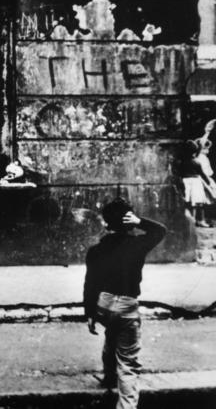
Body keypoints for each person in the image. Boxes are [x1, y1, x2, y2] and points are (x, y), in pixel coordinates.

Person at [83, 198, 166, 409]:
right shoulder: (137, 245)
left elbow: (90, 284)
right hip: (127, 305)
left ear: (106, 223)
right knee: (128, 362)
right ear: (128, 222)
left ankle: (109, 377)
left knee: (112, 333)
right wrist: (140, 222)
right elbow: (160, 231)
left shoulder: (96, 250)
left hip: (103, 303)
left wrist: (90, 314)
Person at [181, 139, 216, 227]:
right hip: (195, 182)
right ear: (194, 152)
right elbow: (202, 174)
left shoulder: (181, 162)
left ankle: (191, 220)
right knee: (199, 204)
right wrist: (209, 183)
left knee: (189, 203)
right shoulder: (196, 162)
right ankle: (200, 220)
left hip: (185, 181)